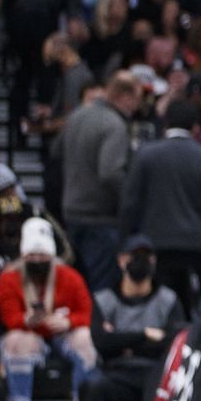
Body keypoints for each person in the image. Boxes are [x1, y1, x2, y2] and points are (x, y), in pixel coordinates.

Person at [118, 97, 201, 314]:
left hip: (154, 243)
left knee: (157, 304)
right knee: (192, 304)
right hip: (194, 244)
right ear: (196, 127)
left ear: (165, 123)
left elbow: (130, 202)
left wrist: (125, 239)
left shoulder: (145, 155)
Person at [83, 241, 187, 401]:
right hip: (118, 373)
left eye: (146, 256)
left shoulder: (168, 299)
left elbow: (174, 342)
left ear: (154, 262)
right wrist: (145, 335)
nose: (140, 262)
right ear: (121, 260)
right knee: (94, 388)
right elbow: (101, 343)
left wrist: (122, 340)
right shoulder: (104, 299)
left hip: (156, 372)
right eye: (134, 256)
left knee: (169, 389)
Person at [0, 218, 97, 401]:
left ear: (51, 255)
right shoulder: (10, 277)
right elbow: (8, 318)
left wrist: (67, 321)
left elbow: (86, 313)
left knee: (84, 338)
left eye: (42, 255)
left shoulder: (69, 276)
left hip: (61, 334)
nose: (38, 260)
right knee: (15, 340)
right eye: (32, 255)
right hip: (29, 334)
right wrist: (29, 320)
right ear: (24, 255)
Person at [57, 71, 142, 286]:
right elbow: (110, 172)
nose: (137, 107)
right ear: (125, 96)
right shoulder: (114, 124)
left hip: (72, 211)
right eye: (137, 100)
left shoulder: (76, 115)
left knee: (76, 282)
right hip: (101, 218)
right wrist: (130, 199)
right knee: (101, 285)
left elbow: (55, 152)